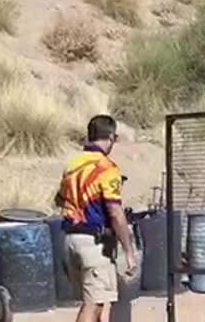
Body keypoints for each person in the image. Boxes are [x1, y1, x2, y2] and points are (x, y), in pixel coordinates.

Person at [56, 114, 137, 322]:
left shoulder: (72, 165)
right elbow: (115, 213)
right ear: (111, 137)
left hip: (70, 240)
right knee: (92, 306)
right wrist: (128, 250)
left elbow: (59, 199)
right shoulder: (107, 168)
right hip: (94, 243)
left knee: (94, 303)